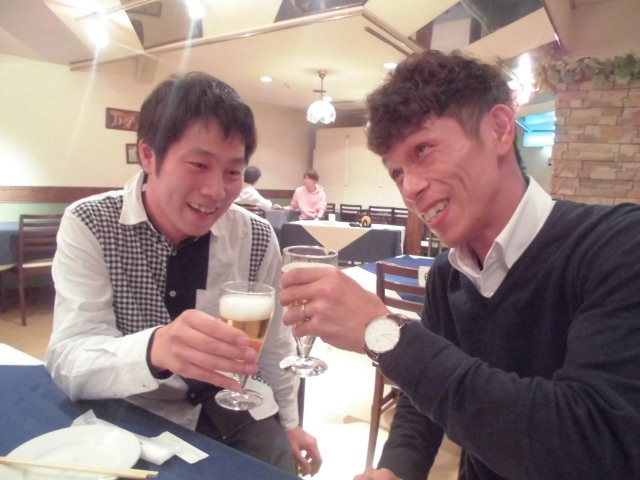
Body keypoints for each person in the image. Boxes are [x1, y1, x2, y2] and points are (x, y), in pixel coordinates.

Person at [279, 50, 640, 480]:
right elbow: (422, 401)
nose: (410, 189)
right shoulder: (448, 276)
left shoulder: (618, 245)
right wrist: (396, 469)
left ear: (499, 129)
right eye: (397, 173)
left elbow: (595, 445)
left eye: (423, 149)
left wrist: (385, 333)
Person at [45, 72, 321, 476]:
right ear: (148, 155)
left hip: (234, 404)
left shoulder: (256, 236)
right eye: (198, 165)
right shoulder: (92, 223)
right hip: (132, 410)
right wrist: (154, 349)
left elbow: (275, 345)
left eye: (232, 172)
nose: (216, 190)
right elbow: (68, 358)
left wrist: (291, 424)